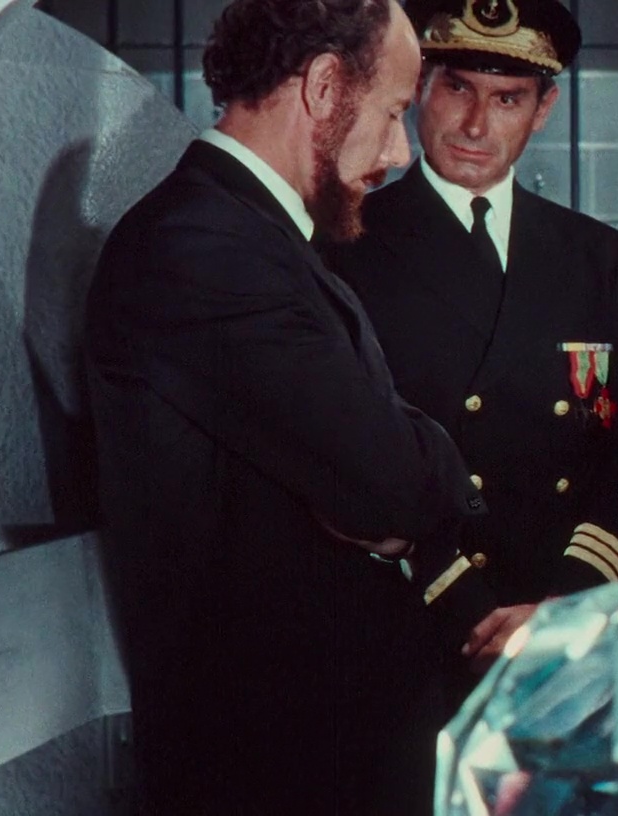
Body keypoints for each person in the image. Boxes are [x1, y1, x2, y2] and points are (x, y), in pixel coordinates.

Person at [85, 1, 520, 811]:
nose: (399, 151)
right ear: (324, 86)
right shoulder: (202, 246)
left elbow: (382, 473)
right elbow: (396, 483)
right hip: (270, 773)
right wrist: (413, 473)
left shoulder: (253, 239)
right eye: (393, 112)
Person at [321, 0, 618, 606]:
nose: (476, 126)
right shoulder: (343, 243)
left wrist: (568, 598)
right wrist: (450, 589)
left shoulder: (598, 257)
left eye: (508, 98)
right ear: (419, 87)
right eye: (458, 88)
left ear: (543, 109)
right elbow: (329, 448)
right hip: (406, 605)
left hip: (554, 610)